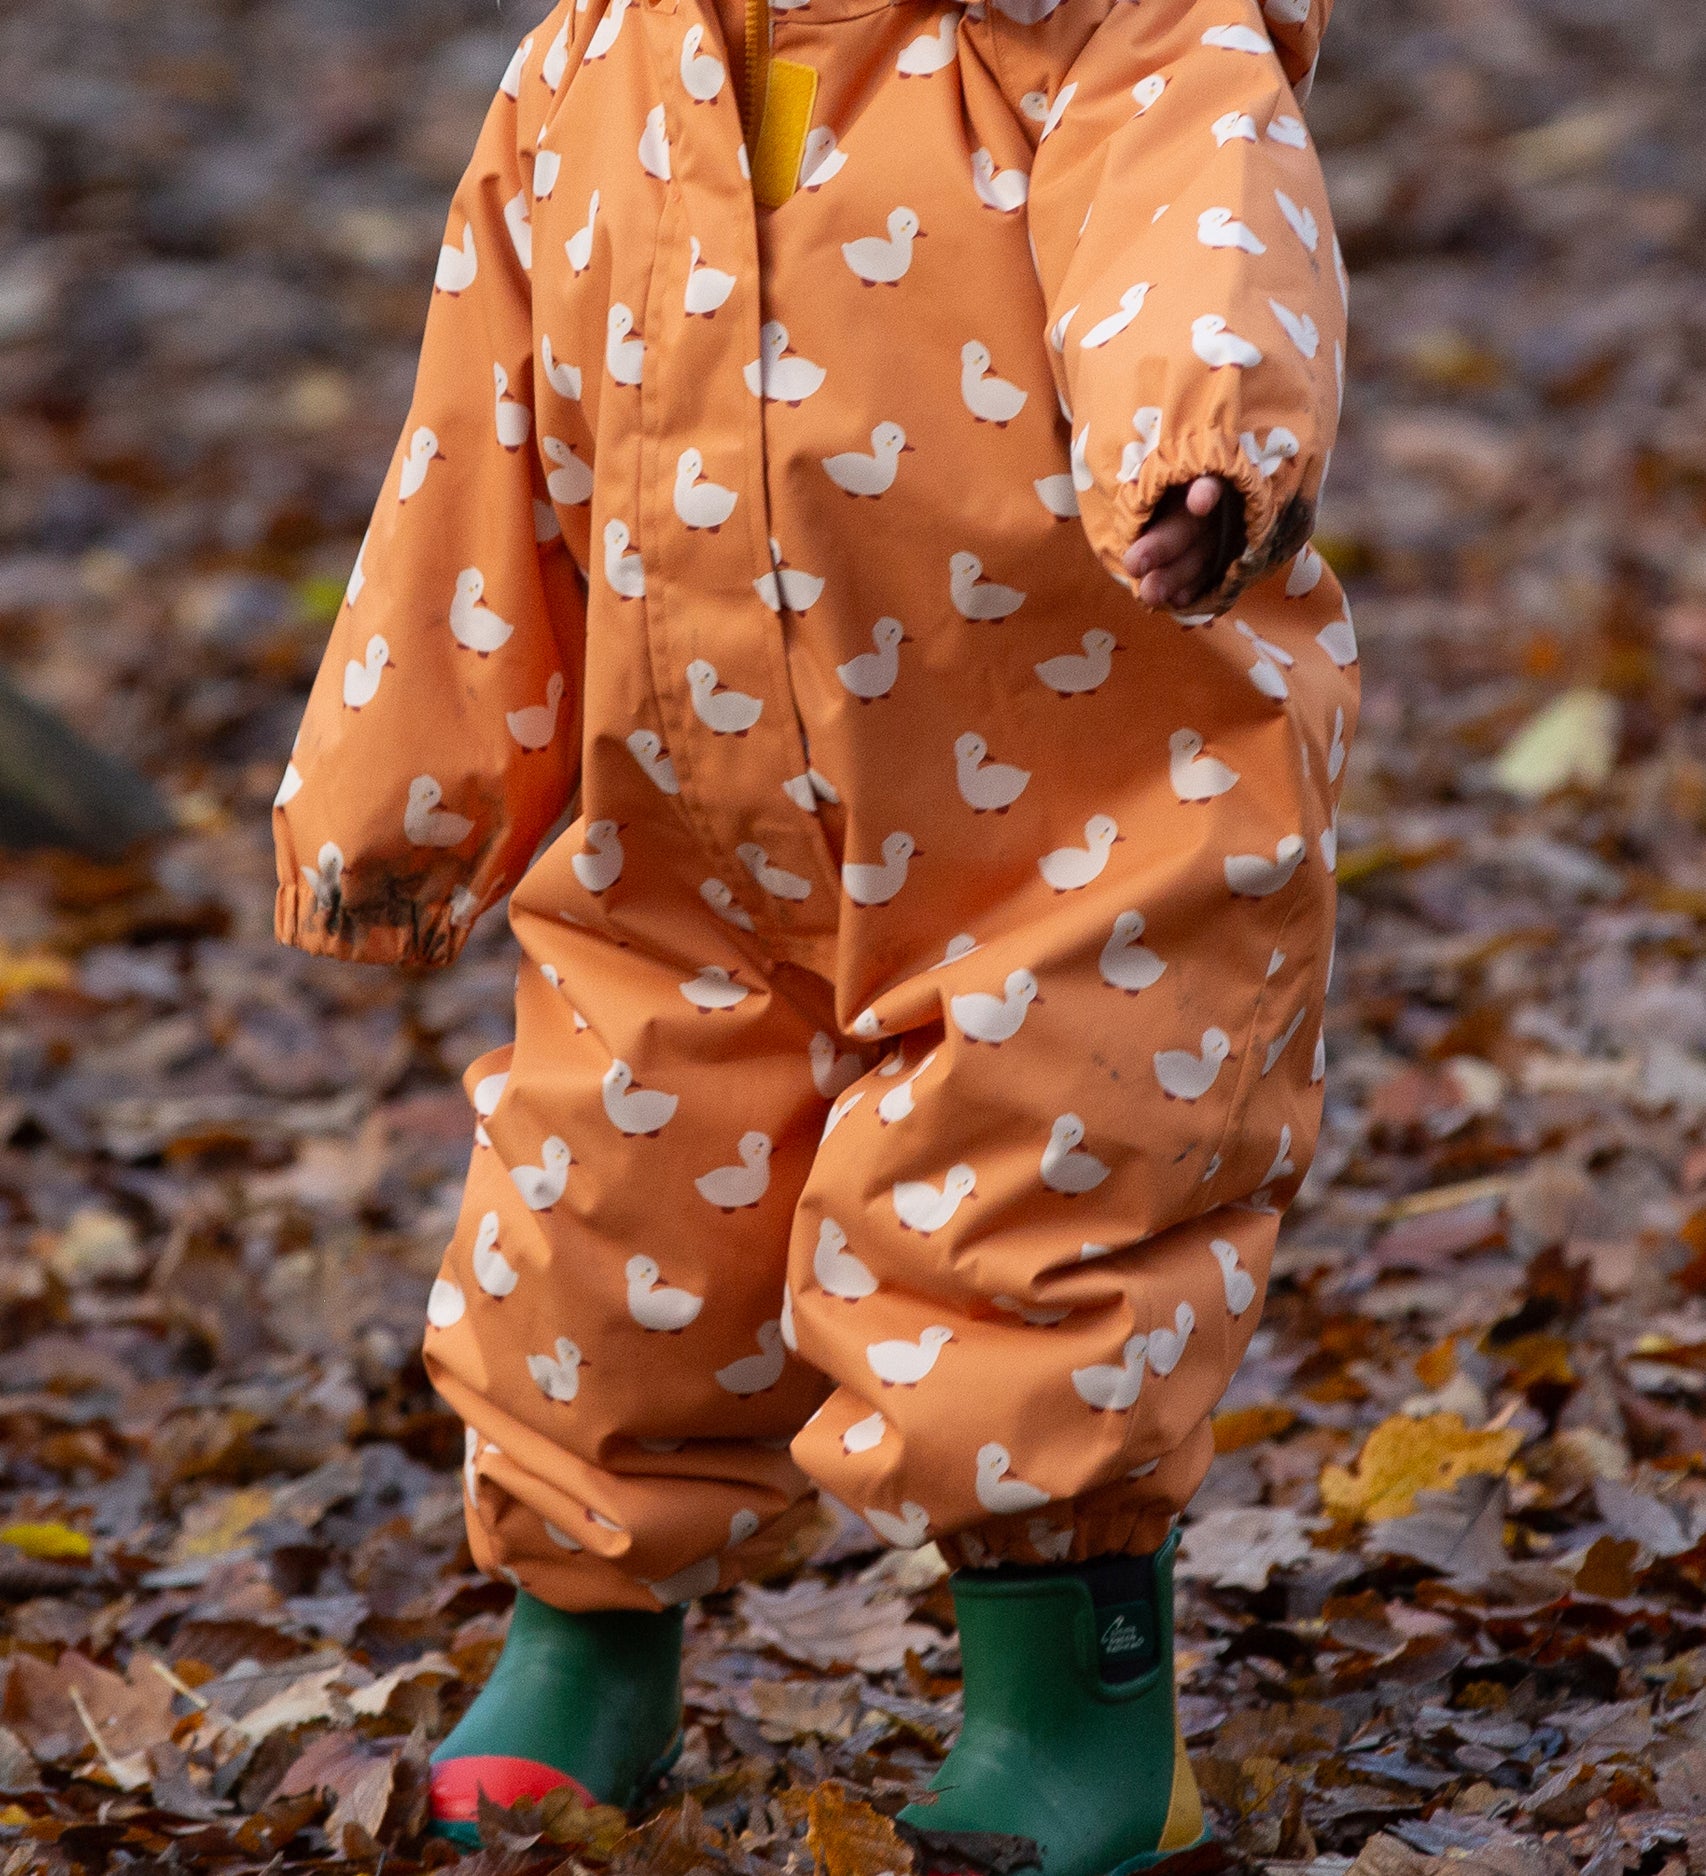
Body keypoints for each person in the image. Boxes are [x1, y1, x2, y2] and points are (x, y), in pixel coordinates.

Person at [273, 0, 1353, 1863]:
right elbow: (481, 442)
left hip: (1062, 792)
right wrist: (403, 784)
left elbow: (1194, 219)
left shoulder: (1106, 37)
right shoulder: (581, 75)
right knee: (607, 1209)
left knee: (1042, 1207)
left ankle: (1066, 1698)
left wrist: (1201, 442)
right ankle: (585, 1643)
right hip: (677, 808)